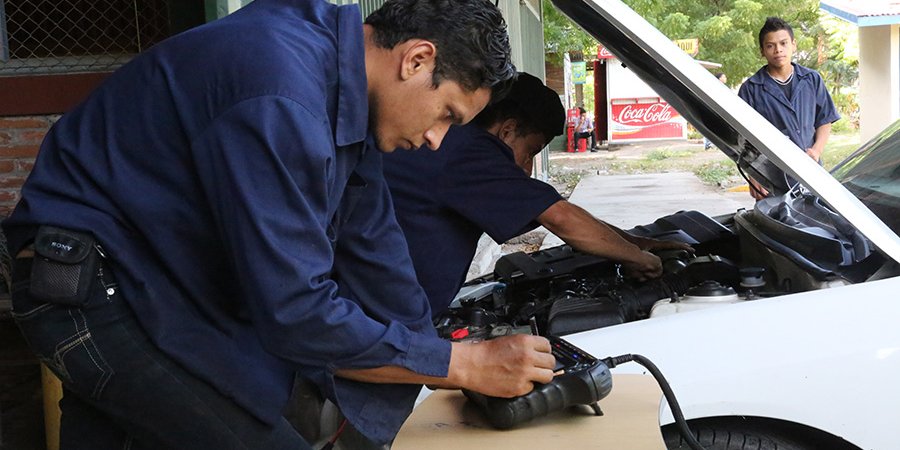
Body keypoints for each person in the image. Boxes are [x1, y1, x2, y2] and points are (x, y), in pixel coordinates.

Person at [2, 1, 555, 448]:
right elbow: (295, 313)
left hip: (156, 282)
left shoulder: (344, 88)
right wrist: (458, 365)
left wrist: (439, 359)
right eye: (447, 115)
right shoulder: (281, 94)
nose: (437, 140)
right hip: (92, 294)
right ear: (416, 60)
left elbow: (373, 246)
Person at [383, 72, 692, 317]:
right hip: (381, 320)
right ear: (507, 131)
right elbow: (560, 218)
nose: (528, 169)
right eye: (530, 152)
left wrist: (635, 242)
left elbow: (555, 211)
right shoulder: (471, 154)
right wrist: (639, 258)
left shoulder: (461, 148)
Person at [738, 16, 840, 200]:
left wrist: (816, 151)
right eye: (770, 46)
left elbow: (825, 120)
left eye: (783, 43)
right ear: (762, 51)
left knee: (815, 221)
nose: (778, 50)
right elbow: (743, 139)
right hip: (771, 177)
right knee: (777, 225)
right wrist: (752, 176)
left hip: (812, 173)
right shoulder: (751, 89)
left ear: (794, 45)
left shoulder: (812, 80)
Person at [704, 72, 728, 150]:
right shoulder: (715, 87)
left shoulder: (724, 88)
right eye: (723, 77)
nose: (725, 78)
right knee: (711, 126)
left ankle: (717, 144)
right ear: (719, 78)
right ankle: (708, 144)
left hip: (720, 111)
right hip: (713, 110)